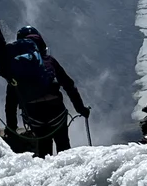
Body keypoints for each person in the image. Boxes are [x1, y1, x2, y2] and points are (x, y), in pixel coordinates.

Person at [5, 26, 90, 156]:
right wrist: (81, 109)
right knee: (64, 147)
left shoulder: (15, 66)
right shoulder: (49, 61)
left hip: (34, 115)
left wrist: (11, 127)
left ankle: (47, 173)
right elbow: (69, 85)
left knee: (43, 151)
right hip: (56, 111)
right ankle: (67, 172)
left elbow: (11, 101)